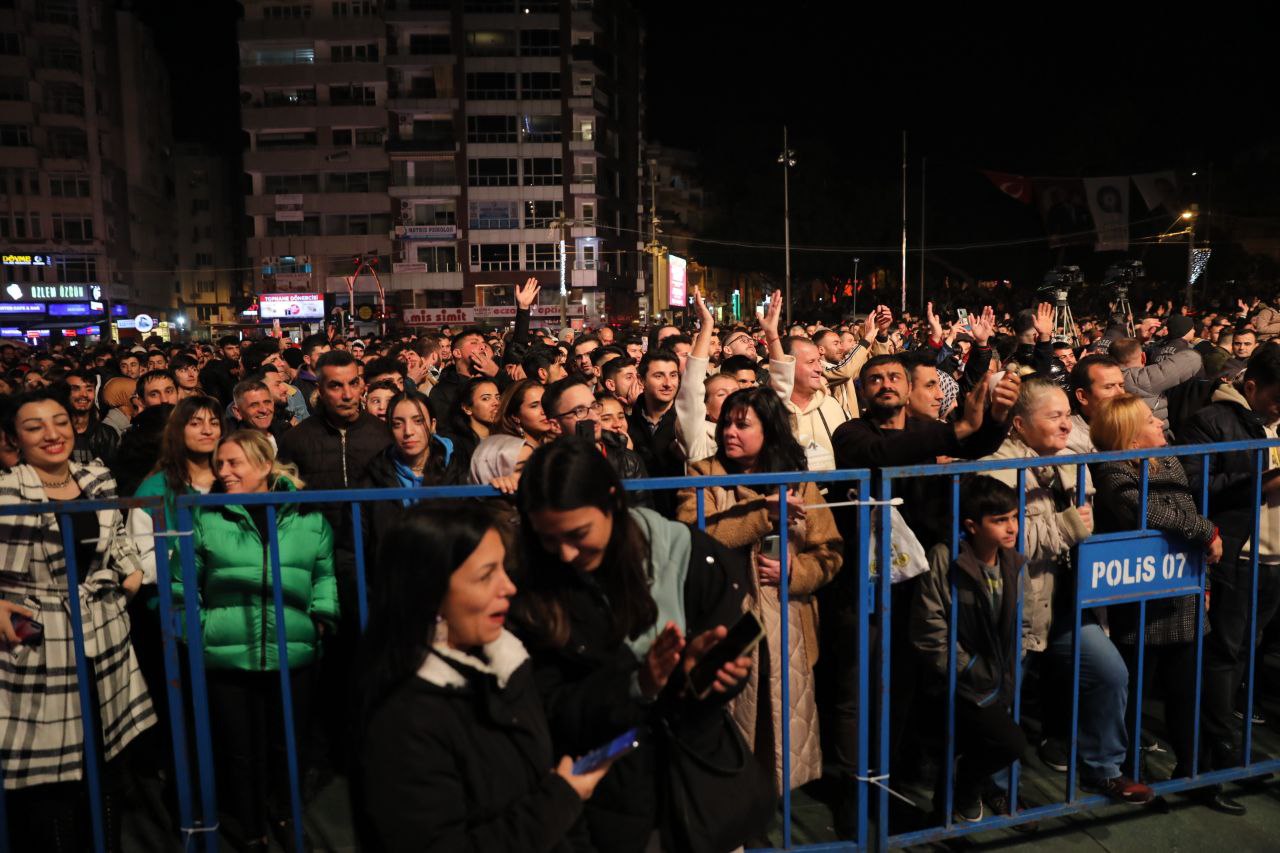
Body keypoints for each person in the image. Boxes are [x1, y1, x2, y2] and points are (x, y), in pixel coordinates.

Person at [513, 438, 759, 852]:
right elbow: (549, 705)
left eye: (578, 534)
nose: (566, 553)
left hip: (699, 788)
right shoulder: (534, 593)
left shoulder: (688, 555)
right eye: (549, 539)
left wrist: (711, 674)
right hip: (609, 802)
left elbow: (709, 687)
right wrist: (637, 684)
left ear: (613, 499)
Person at [357, 503, 609, 851]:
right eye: (485, 575)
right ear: (431, 593)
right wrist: (557, 802)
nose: (507, 587)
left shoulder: (506, 666)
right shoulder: (404, 720)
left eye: (504, 569)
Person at [981, 378, 1153, 803]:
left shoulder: (1070, 461)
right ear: (1019, 424)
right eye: (1052, 416)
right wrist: (1069, 527)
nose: (1064, 425)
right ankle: (994, 786)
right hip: (1017, 607)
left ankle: (1104, 769)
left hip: (1067, 604)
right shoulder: (993, 470)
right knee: (1003, 700)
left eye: (1065, 416)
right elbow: (1006, 540)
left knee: (1110, 673)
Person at [0, 389, 157, 851]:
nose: (53, 434)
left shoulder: (96, 476)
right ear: (15, 439)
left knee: (105, 761)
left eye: (61, 421)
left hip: (103, 636)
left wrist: (130, 573)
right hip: (38, 646)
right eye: (35, 427)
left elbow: (118, 536)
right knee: (52, 773)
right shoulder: (8, 488)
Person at [676, 386, 842, 791]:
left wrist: (794, 574)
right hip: (724, 620)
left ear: (769, 430)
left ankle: (766, 807)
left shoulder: (798, 482)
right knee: (728, 720)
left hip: (787, 623)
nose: (729, 431)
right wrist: (761, 515)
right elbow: (694, 536)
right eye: (725, 423)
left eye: (742, 424)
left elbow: (830, 550)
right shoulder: (701, 474)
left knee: (778, 725)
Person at [178, 429, 338, 851]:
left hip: (294, 650)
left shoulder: (307, 517)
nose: (223, 471)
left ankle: (287, 815)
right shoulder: (203, 514)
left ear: (265, 465)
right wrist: (196, 627)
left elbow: (323, 574)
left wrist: (321, 618)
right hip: (227, 651)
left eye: (234, 463)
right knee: (239, 750)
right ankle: (251, 829)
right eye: (220, 464)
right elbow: (182, 584)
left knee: (290, 744)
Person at [1090, 394, 1242, 815]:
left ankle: (1195, 775)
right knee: (1135, 696)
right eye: (1150, 420)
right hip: (1140, 601)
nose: (1161, 423)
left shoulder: (1169, 462)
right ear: (1130, 437)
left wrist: (1204, 579)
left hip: (1184, 595)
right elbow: (1150, 512)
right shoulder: (1110, 468)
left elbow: (1183, 518)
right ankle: (1131, 775)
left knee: (1188, 694)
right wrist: (1207, 530)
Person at [1178, 344, 1280, 771]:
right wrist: (1263, 482)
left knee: (1249, 649)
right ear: (1251, 386)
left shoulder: (1271, 420)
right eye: (1277, 399)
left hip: (1276, 559)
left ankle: (1226, 741)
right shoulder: (1211, 421)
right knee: (1225, 654)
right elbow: (1197, 486)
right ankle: (1215, 751)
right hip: (1238, 555)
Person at [912, 475, 1031, 822]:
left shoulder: (1012, 562)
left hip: (995, 677)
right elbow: (929, 629)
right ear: (972, 526)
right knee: (1010, 742)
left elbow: (1019, 619)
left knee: (974, 744)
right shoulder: (946, 559)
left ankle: (950, 807)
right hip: (959, 679)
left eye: (1013, 517)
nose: (1011, 527)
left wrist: (1013, 659)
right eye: (999, 520)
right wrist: (968, 667)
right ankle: (962, 793)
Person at [360, 389, 465, 558]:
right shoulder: (374, 477)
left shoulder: (456, 472)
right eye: (397, 424)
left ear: (433, 425)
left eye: (418, 421)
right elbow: (352, 549)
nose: (408, 431)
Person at [444, 376, 501, 475]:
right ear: (467, 408)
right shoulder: (453, 445)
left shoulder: (505, 438)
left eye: (498, 397)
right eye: (486, 398)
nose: (496, 403)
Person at [63, 369, 119, 466]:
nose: (84, 395)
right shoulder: (55, 434)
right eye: (75, 389)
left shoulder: (107, 435)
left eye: (89, 389)